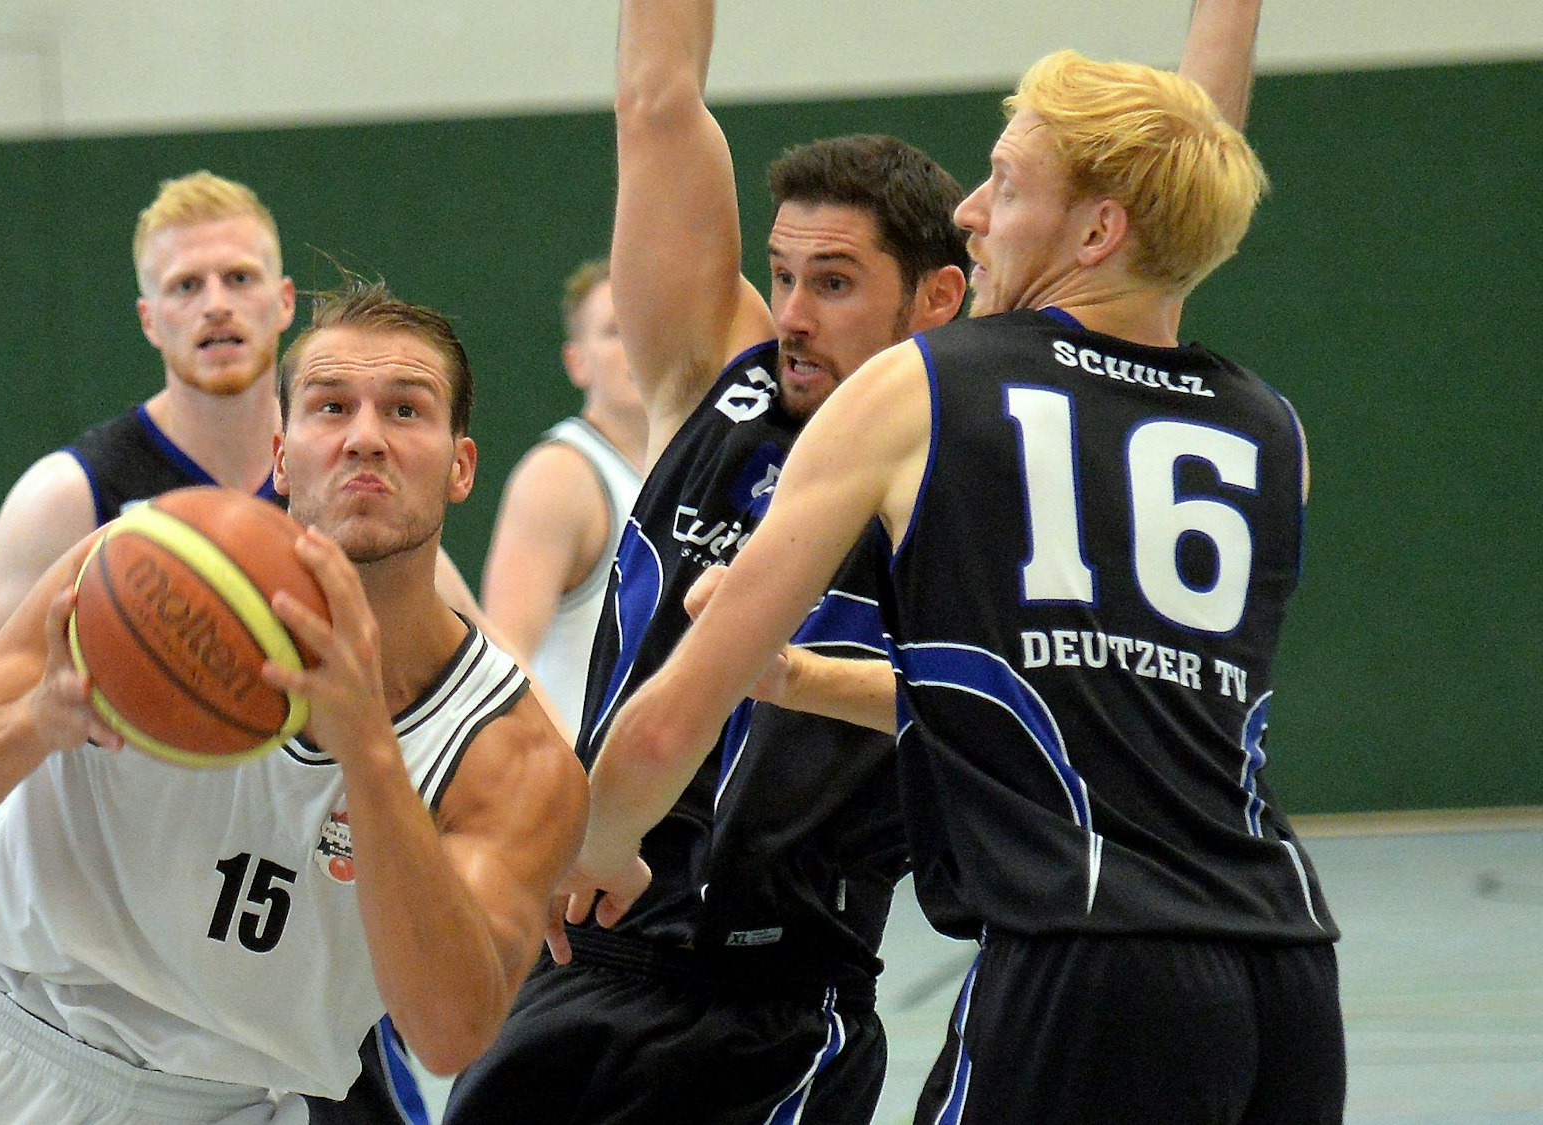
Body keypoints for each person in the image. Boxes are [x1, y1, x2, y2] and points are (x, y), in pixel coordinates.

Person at [580, 8, 1347, 1123]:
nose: (969, 213)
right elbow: (1177, 189)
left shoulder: (930, 384)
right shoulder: (1269, 429)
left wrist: (593, 841)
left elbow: (663, 720)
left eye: (1003, 181)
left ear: (1093, 233)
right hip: (1284, 968)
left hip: (1083, 956)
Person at [0, 280, 589, 1125]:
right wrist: (32, 725)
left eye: (407, 411)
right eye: (331, 406)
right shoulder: (127, 574)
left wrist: (370, 753)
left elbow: (450, 1031)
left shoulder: (507, 752)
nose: (365, 438)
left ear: (460, 466)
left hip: (221, 1105)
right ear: (281, 452)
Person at [443, 0, 971, 1119]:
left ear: (936, 300)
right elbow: (655, 98)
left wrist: (802, 680)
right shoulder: (713, 379)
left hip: (775, 1004)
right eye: (779, 277)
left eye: (831, 284)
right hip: (587, 956)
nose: (788, 314)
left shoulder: (963, 468)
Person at [0, 170, 295, 898]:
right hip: (123, 885)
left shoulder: (332, 474)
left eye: (239, 276)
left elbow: (470, 648)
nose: (217, 303)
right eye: (186, 285)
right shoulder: (75, 491)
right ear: (148, 317)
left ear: (284, 300)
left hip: (286, 874)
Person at [479, 259, 647, 729]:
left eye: (647, 323)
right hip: (588, 790)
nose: (637, 343)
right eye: (615, 331)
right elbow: (502, 662)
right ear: (577, 362)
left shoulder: (701, 469)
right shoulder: (559, 477)